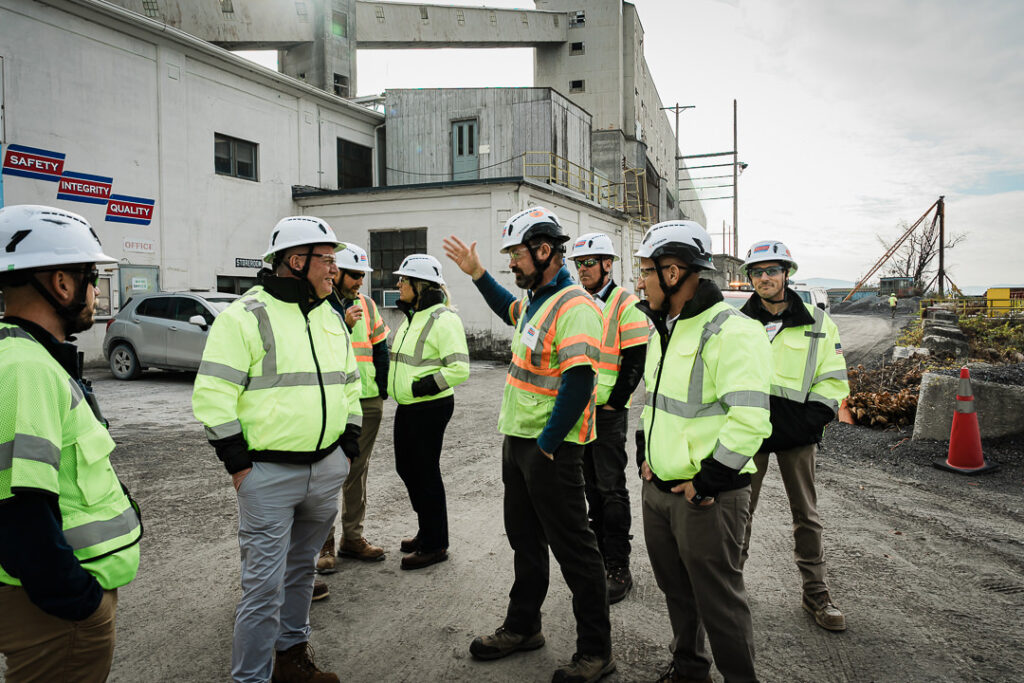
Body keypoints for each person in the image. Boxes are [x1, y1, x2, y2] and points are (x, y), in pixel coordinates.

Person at [443, 207, 614, 683]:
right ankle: (524, 627)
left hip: (550, 451)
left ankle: (596, 651)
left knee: (576, 551)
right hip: (520, 443)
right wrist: (476, 274)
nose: (512, 264)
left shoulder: (574, 305)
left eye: (516, 254)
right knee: (525, 541)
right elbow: (506, 307)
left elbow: (580, 383)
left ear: (544, 251)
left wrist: (547, 444)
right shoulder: (539, 299)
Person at [192, 215, 362, 683]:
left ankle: (292, 658)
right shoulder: (245, 316)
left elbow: (350, 382)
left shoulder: (329, 316)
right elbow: (211, 395)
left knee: (301, 574)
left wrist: (346, 447)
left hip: (326, 470)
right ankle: (250, 678)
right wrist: (239, 465)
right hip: (267, 476)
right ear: (296, 259)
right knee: (262, 590)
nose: (335, 268)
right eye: (327, 260)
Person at [0, 205, 143, 683]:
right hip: (54, 612)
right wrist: (78, 602)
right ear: (61, 283)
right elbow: (21, 509)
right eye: (90, 277)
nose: (97, 292)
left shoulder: (24, 355)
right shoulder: (27, 367)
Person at [634, 220, 771, 683]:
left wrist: (707, 480)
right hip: (660, 491)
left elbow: (751, 419)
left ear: (673, 272)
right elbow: (657, 403)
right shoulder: (664, 329)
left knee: (719, 604)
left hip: (706, 498)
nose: (640, 281)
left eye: (646, 271)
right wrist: (645, 457)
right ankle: (689, 672)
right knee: (676, 593)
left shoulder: (731, 330)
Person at [738, 240, 850, 632]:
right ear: (748, 277)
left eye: (772, 270)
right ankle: (730, 587)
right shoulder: (737, 321)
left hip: (797, 433)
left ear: (787, 273)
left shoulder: (819, 322)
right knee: (737, 512)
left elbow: (834, 379)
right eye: (757, 271)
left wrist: (811, 422)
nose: (764, 278)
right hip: (747, 431)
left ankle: (816, 594)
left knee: (806, 515)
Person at [567, 232, 648, 604]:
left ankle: (618, 565)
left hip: (608, 414)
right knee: (588, 488)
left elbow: (635, 360)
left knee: (611, 489)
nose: (582, 270)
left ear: (607, 265)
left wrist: (616, 402)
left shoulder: (624, 303)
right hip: (580, 410)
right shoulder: (576, 302)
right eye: (578, 264)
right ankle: (597, 556)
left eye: (588, 263)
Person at [389, 254, 470, 570]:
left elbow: (460, 368)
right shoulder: (413, 316)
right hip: (409, 406)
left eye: (403, 280)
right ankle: (428, 529)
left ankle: (436, 544)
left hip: (430, 406)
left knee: (425, 472)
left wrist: (424, 386)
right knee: (406, 468)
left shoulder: (443, 319)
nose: (398, 284)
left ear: (419, 285)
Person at [316, 243, 389, 572]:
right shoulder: (318, 305)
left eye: (363, 276)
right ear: (337, 273)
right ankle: (323, 544)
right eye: (355, 276)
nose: (360, 282)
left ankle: (352, 538)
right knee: (325, 475)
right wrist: (343, 323)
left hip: (367, 400)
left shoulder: (368, 305)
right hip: (332, 402)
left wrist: (382, 389)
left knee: (356, 473)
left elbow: (380, 347)